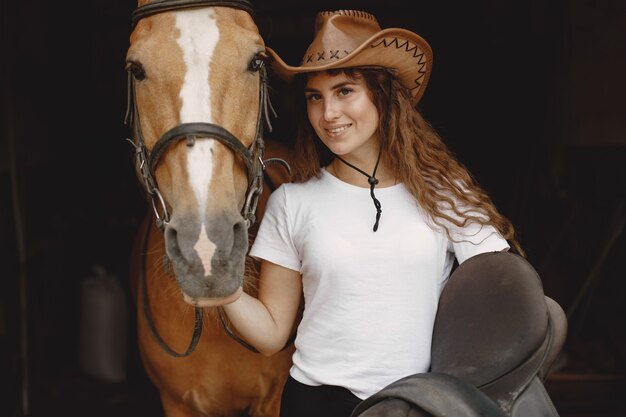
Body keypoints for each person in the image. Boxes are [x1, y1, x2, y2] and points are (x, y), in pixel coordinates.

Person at [223, 9, 524, 417]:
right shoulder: (292, 202)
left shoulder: (443, 193)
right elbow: (272, 333)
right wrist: (221, 289)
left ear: (383, 95)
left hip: (415, 404)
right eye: (316, 97)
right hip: (315, 402)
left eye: (344, 91)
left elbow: (501, 287)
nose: (328, 114)